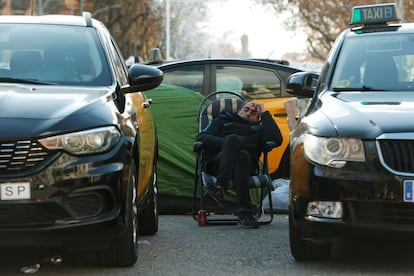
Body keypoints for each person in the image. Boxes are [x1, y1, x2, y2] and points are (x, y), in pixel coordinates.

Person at [196, 100, 282, 228]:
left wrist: (264, 113)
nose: (248, 113)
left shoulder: (258, 129)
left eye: (254, 113)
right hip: (218, 165)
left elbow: (276, 139)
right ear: (239, 111)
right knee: (233, 140)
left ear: (257, 118)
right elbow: (201, 137)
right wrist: (226, 143)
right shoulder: (222, 121)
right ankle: (245, 213)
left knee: (242, 156)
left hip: (247, 167)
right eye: (246, 109)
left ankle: (219, 188)